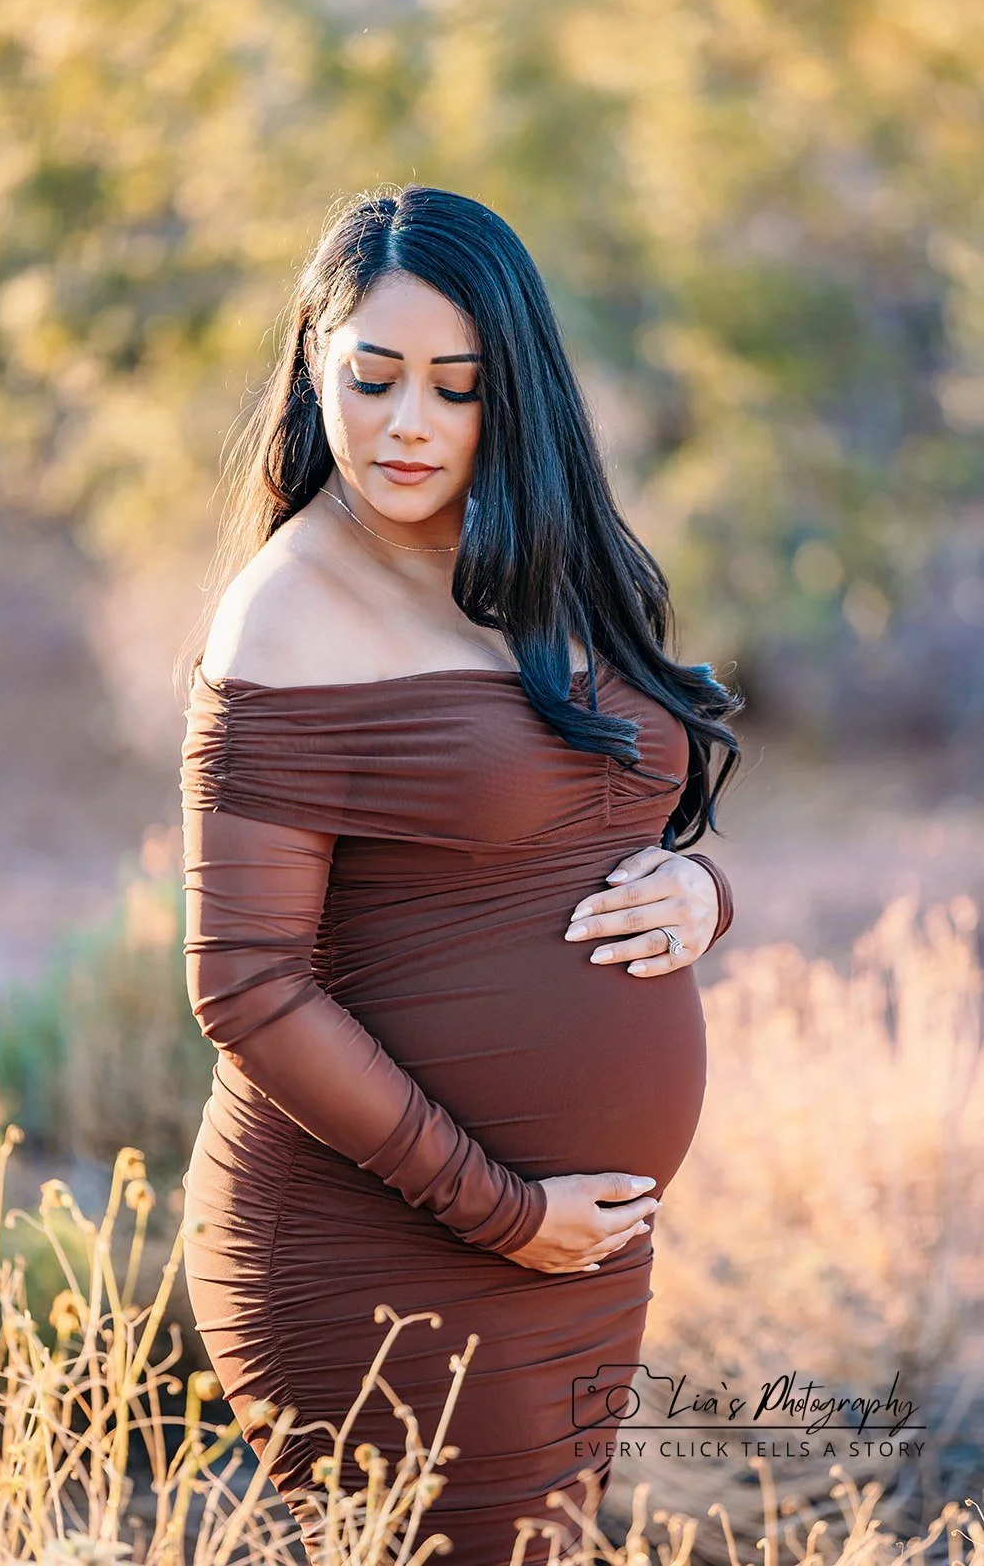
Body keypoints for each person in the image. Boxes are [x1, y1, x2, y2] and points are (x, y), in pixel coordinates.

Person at [178, 183, 741, 1566]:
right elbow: (246, 985)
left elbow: (621, 804)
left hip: (575, 1249)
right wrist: (502, 1208)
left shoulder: (546, 562)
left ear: (516, 396)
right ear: (315, 369)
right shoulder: (287, 611)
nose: (405, 425)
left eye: (454, 387)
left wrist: (705, 895)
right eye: (368, 379)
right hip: (384, 1242)